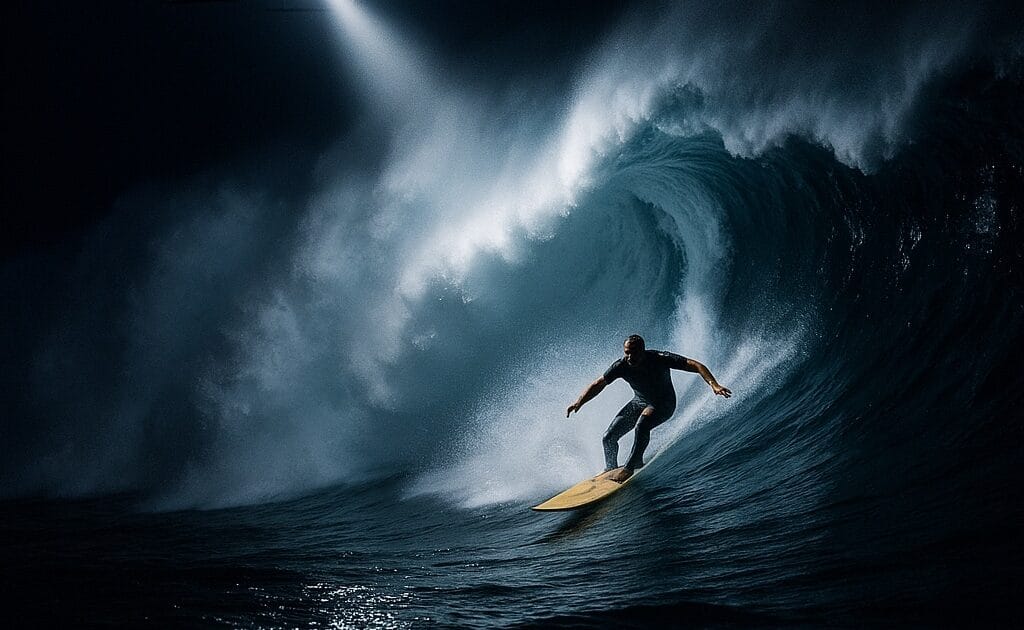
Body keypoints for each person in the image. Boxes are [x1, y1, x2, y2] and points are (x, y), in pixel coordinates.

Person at [565, 334, 732, 482]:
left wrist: (714, 385)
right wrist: (579, 401)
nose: (629, 357)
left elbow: (695, 365)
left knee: (642, 425)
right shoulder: (621, 366)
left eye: (633, 352)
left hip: (664, 404)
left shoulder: (659, 358)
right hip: (639, 402)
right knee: (608, 437)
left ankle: (630, 468)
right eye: (626, 352)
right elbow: (598, 384)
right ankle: (610, 469)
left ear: (642, 350)